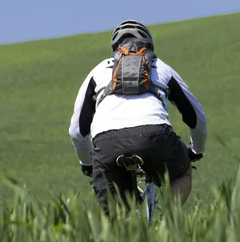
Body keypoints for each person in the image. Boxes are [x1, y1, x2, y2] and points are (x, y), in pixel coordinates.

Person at [67, 19, 207, 214]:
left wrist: (88, 163)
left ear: (115, 48)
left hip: (107, 144)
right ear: (149, 45)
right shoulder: (161, 67)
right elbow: (196, 116)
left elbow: (76, 130)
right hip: (155, 136)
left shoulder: (98, 71)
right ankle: (168, 223)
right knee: (181, 174)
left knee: (114, 219)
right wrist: (196, 150)